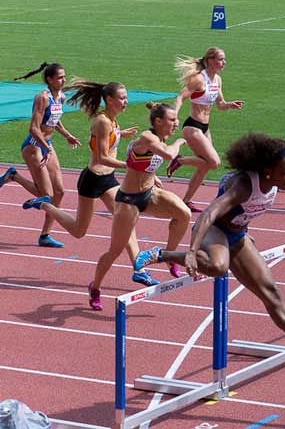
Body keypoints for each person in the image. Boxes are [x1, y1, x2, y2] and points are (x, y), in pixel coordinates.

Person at [136, 133, 285, 370]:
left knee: (272, 294)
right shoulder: (245, 185)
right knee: (218, 267)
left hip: (237, 235)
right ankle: (161, 254)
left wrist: (245, 233)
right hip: (213, 230)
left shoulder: (275, 179)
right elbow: (210, 213)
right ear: (268, 171)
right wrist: (191, 251)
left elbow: (247, 212)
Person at [19, 80, 174, 278]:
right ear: (109, 100)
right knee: (78, 231)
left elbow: (110, 140)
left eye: (126, 97)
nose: (126, 101)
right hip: (92, 180)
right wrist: (133, 168)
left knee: (125, 222)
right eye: (122, 98)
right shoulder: (102, 121)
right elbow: (102, 157)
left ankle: (139, 269)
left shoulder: (112, 119)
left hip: (108, 180)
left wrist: (120, 134)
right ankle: (45, 205)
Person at [88, 103, 190, 310]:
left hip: (150, 194)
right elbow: (169, 154)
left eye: (176, 120)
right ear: (158, 122)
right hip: (129, 200)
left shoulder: (161, 138)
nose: (176, 123)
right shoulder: (147, 138)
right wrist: (180, 140)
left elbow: (148, 163)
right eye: (172, 120)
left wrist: (155, 177)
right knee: (115, 250)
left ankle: (169, 256)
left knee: (184, 214)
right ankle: (95, 286)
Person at [0, 63, 81, 248]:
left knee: (59, 192)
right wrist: (48, 147)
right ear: (50, 79)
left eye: (64, 76)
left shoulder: (60, 96)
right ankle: (14, 175)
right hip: (33, 147)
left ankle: (45, 235)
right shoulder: (42, 98)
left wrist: (67, 135)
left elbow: (54, 119)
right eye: (60, 77)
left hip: (47, 146)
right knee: (46, 195)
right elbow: (34, 128)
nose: (64, 80)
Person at [167, 47, 244, 213]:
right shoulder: (198, 80)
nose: (224, 63)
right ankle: (179, 160)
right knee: (214, 163)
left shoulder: (218, 80)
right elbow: (181, 97)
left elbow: (220, 105)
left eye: (224, 59)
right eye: (221, 59)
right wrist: (174, 115)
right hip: (192, 126)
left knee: (204, 167)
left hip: (205, 128)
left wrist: (229, 105)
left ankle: (186, 201)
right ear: (210, 60)